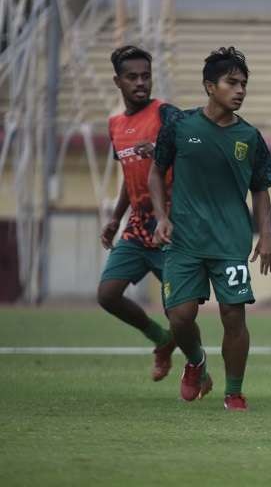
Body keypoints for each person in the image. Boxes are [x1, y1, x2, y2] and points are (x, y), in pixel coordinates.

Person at [148, 47, 271, 411]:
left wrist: (265, 233)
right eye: (231, 83)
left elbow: (261, 188)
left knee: (233, 315)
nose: (240, 90)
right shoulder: (180, 127)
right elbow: (157, 171)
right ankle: (196, 364)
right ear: (209, 86)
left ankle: (234, 392)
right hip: (184, 240)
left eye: (244, 84)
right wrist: (161, 216)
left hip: (230, 242)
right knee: (180, 316)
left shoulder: (250, 138)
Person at [98, 45, 181, 382]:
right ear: (118, 81)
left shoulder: (165, 113)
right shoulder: (115, 124)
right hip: (136, 225)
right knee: (107, 295)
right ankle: (160, 340)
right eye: (132, 77)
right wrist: (116, 218)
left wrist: (162, 149)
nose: (141, 83)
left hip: (171, 223)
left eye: (146, 76)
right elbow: (129, 175)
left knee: (180, 312)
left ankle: (197, 368)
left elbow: (191, 152)